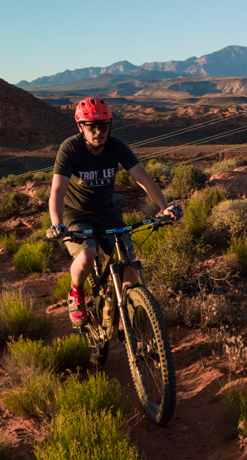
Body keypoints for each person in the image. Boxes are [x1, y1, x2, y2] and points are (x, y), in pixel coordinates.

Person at [46, 97, 182, 328]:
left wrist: (164, 207)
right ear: (81, 127)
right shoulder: (71, 148)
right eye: (92, 126)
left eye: (104, 125)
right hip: (74, 213)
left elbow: (143, 180)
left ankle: (136, 325)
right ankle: (76, 293)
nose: (98, 131)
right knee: (87, 254)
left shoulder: (116, 146)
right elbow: (57, 191)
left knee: (127, 263)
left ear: (110, 125)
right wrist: (57, 224)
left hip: (106, 210)